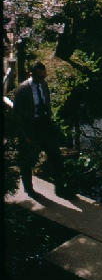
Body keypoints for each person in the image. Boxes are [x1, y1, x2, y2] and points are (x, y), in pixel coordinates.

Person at [13, 61, 73, 198]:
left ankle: (60, 188)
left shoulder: (43, 84)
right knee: (28, 160)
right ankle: (29, 189)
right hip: (31, 127)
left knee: (55, 156)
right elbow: (16, 117)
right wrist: (24, 136)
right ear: (31, 74)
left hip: (44, 125)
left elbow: (46, 103)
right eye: (39, 77)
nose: (42, 80)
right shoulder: (22, 90)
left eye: (44, 77)